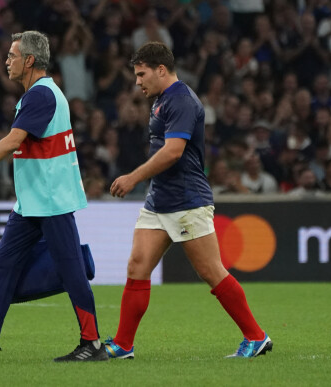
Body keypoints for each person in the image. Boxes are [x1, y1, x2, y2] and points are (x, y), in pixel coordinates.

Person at [0, 31, 108, 363]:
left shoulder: (41, 95)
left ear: (29, 61)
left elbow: (12, 141)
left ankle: (92, 344)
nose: (6, 61)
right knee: (3, 265)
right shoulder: (40, 95)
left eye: (11, 56)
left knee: (72, 269)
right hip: (33, 201)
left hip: (50, 199)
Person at [105, 42, 272, 359]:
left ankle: (257, 336)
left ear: (161, 70)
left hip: (186, 199)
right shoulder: (160, 100)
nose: (138, 81)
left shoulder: (181, 99)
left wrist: (133, 178)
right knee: (137, 266)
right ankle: (123, 345)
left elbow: (173, 152)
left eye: (142, 74)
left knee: (211, 271)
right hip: (159, 200)